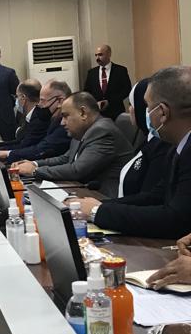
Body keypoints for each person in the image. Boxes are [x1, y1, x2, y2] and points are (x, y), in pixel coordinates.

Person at [77, 66, 191, 238]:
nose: (145, 113)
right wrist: (101, 206)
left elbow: (175, 219)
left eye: (148, 106)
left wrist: (97, 212)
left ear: (162, 112)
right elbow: (156, 197)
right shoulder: (177, 147)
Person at [10, 91, 133, 198]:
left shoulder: (102, 131)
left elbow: (77, 170)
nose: (62, 123)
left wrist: (35, 171)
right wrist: (34, 164)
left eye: (65, 116)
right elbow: (65, 158)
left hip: (104, 197)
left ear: (83, 113)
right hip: (84, 190)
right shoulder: (83, 130)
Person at [116, 80, 173, 198]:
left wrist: (101, 206)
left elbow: (151, 198)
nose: (130, 109)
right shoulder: (147, 140)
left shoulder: (164, 146)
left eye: (132, 104)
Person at [0, 80, 72, 165]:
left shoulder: (65, 125)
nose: (39, 104)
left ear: (60, 101)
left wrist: (8, 153)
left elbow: (42, 149)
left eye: (43, 100)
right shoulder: (53, 120)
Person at [0, 80, 47, 153]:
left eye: (16, 96)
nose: (16, 100)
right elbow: (20, 141)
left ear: (23, 97)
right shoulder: (30, 114)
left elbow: (24, 145)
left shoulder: (39, 118)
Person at [83, 44, 132, 120]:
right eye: (96, 55)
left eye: (100, 55)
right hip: (97, 113)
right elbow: (87, 92)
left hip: (116, 112)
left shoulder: (120, 70)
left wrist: (110, 102)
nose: (97, 58)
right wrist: (95, 103)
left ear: (109, 54)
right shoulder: (92, 73)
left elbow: (127, 90)